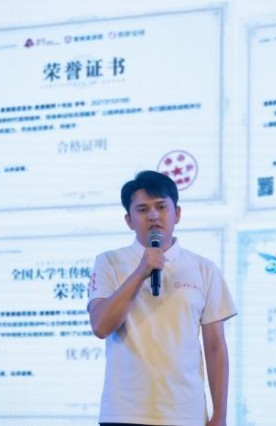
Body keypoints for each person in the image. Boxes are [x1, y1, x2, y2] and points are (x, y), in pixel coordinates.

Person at [87, 170, 237, 426]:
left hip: (185, 413)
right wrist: (140, 272)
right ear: (129, 220)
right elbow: (100, 326)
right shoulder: (109, 262)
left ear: (177, 213)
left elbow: (215, 347)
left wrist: (220, 415)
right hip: (124, 413)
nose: (153, 216)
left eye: (161, 207)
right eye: (143, 209)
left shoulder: (204, 268)